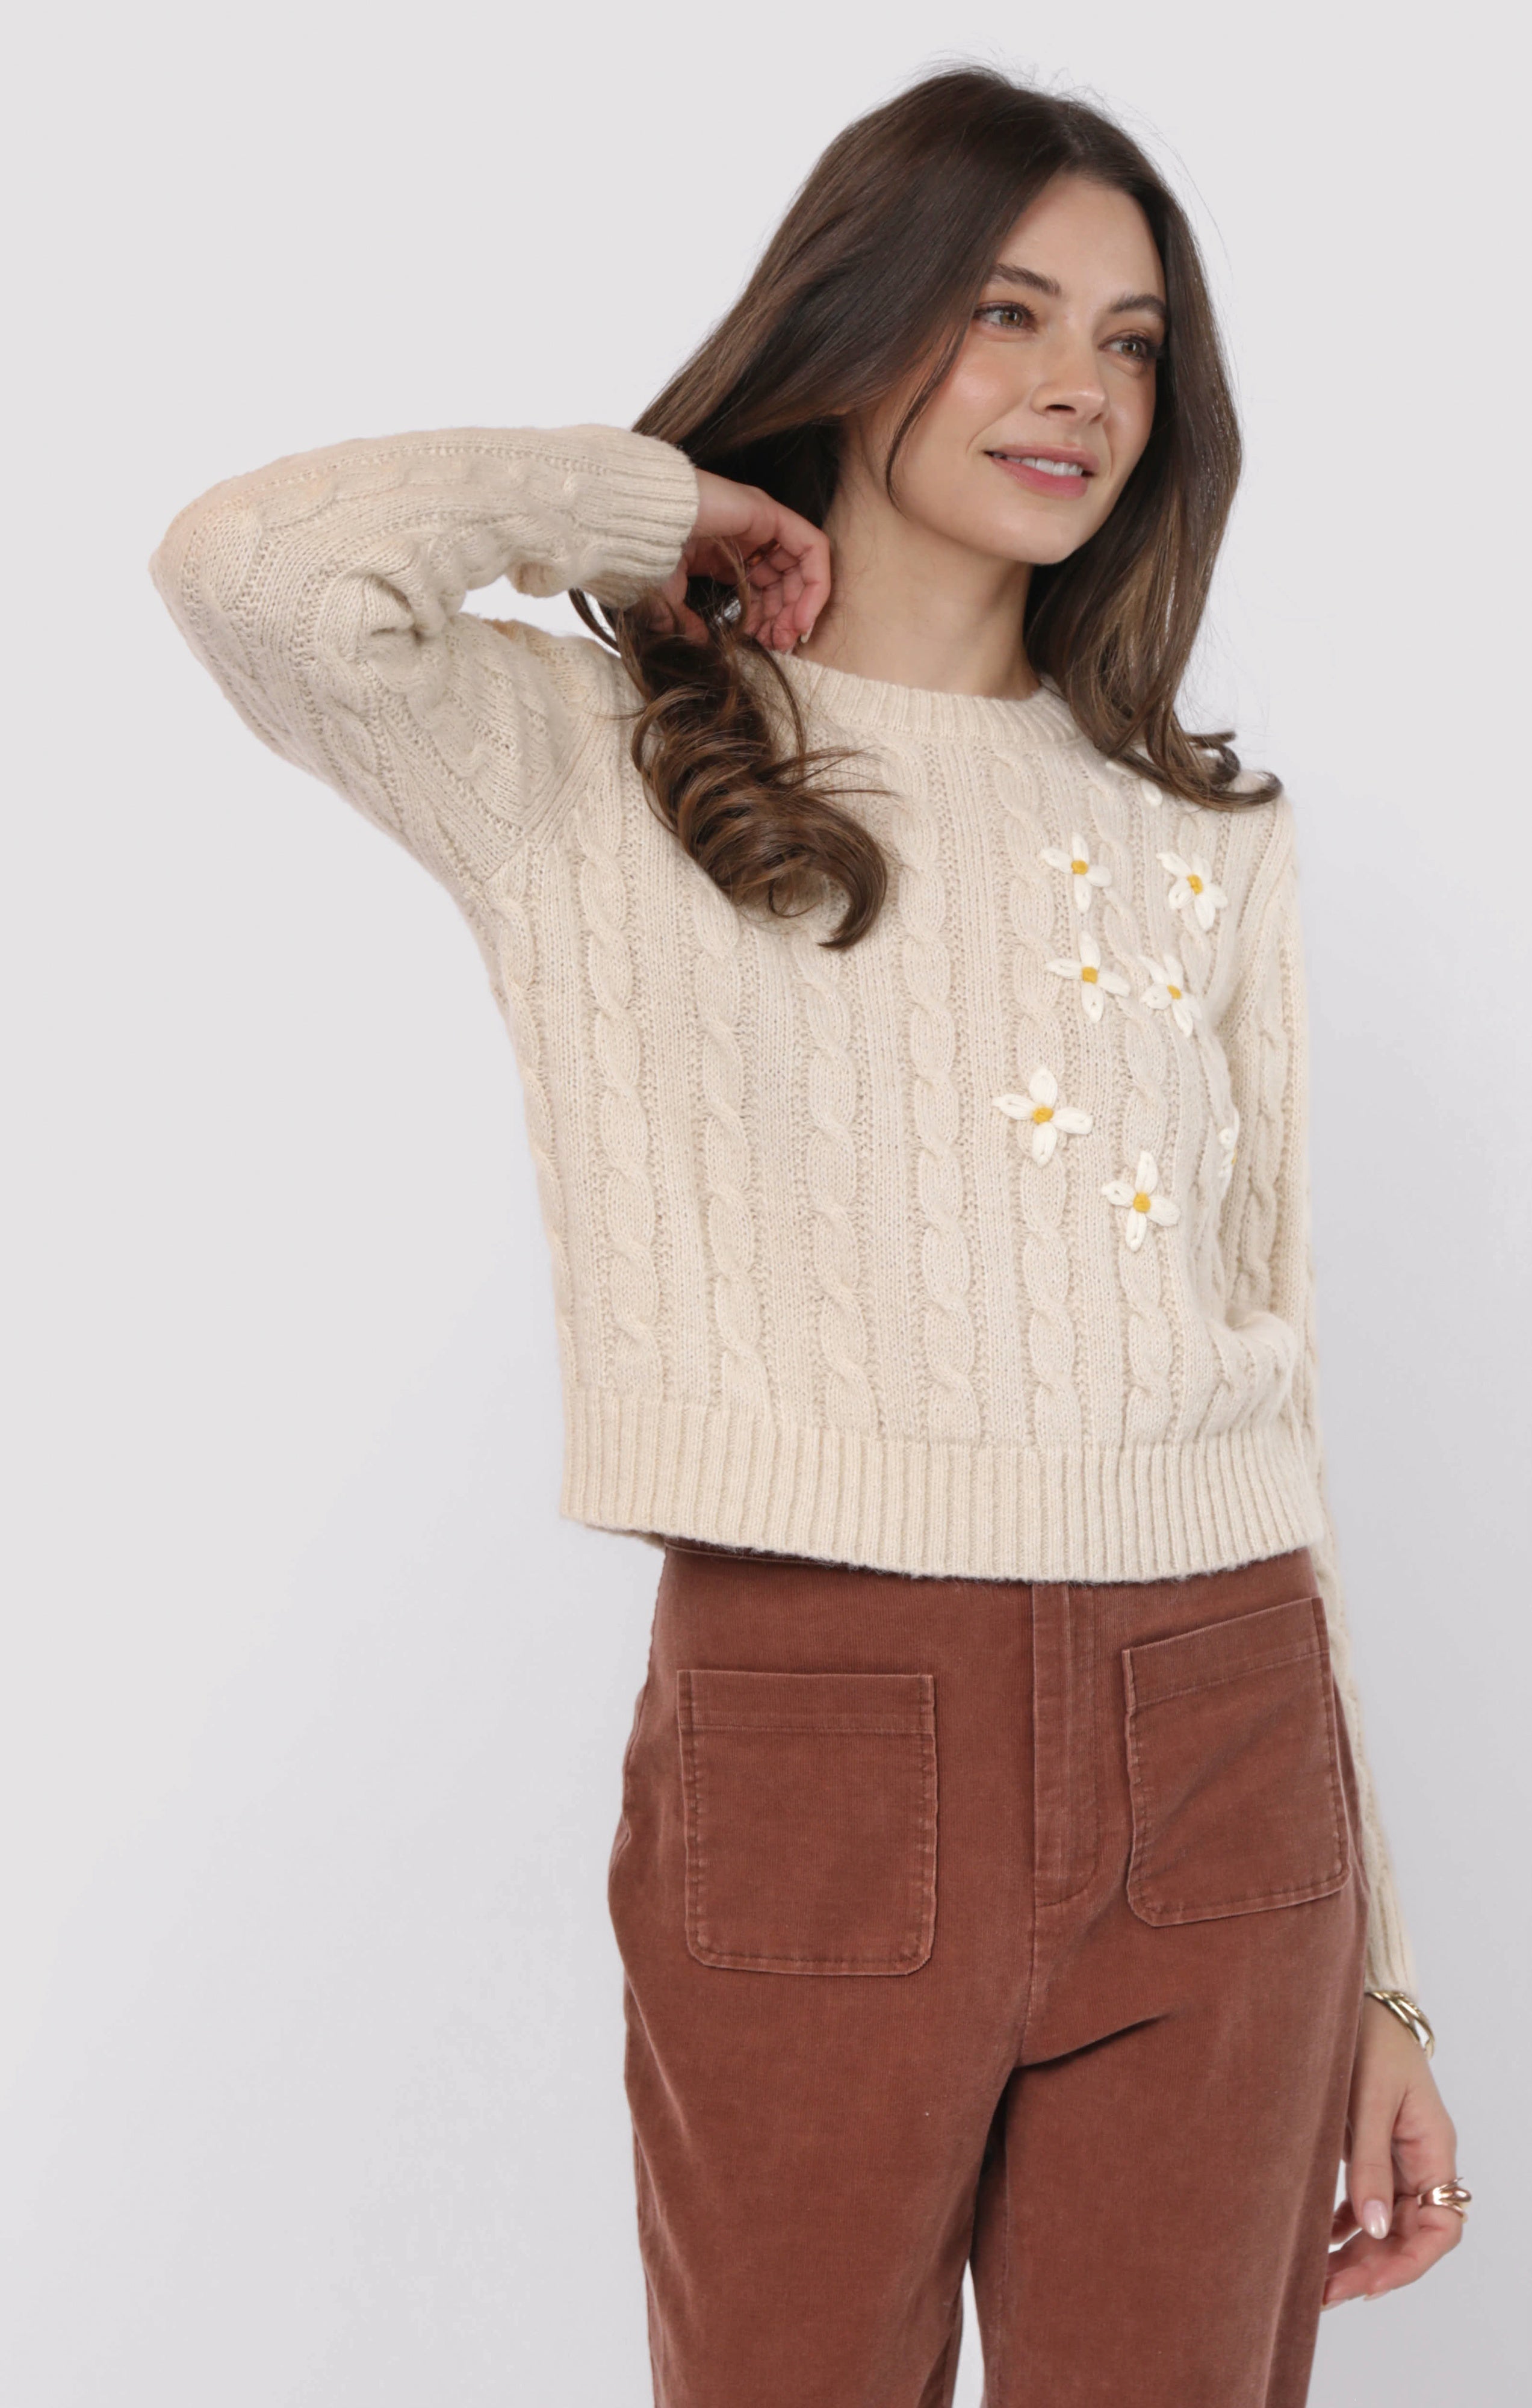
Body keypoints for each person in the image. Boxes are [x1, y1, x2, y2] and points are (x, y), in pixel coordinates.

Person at [149, 61, 1466, 2408]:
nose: (1079, 388)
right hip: (818, 1720)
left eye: (1132, 341)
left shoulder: (1200, 834)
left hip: (1227, 1728)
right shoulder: (597, 757)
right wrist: (657, 504)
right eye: (1003, 311)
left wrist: (1381, 1977)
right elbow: (250, 568)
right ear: (857, 326)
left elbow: (1272, 1385)